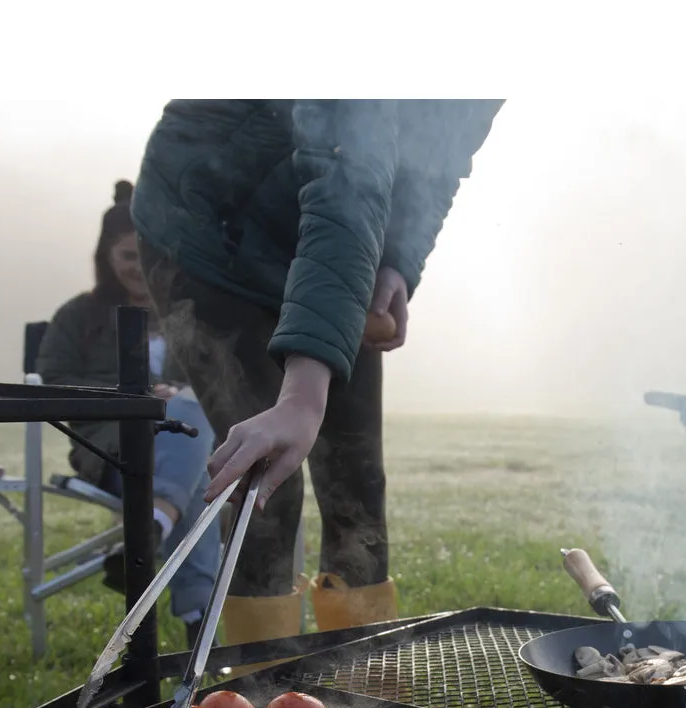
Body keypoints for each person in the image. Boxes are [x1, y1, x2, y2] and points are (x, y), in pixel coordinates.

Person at [129, 100, 503, 645]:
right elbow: (348, 181)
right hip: (210, 235)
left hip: (342, 245)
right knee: (262, 482)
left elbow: (439, 165)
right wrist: (302, 397)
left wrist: (397, 258)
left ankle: (365, 691)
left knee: (358, 481)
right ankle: (258, 698)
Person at [35, 182, 221, 647]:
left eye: (147, 254)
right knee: (199, 475)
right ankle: (201, 622)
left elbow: (220, 379)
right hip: (114, 454)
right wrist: (133, 396)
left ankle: (150, 527)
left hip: (184, 443)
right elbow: (52, 386)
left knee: (190, 413)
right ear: (105, 255)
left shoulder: (186, 315)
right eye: (126, 255)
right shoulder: (78, 316)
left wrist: (175, 398)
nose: (138, 268)